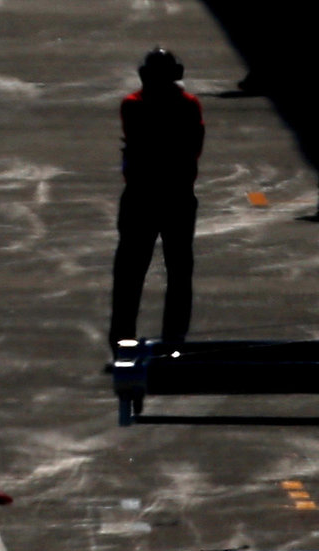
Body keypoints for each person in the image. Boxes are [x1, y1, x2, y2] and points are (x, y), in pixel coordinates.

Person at [109, 49, 203, 355]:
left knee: (131, 274)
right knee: (178, 273)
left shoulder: (134, 104)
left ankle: (123, 340)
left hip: (142, 196)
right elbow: (193, 147)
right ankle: (173, 341)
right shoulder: (187, 105)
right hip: (176, 195)